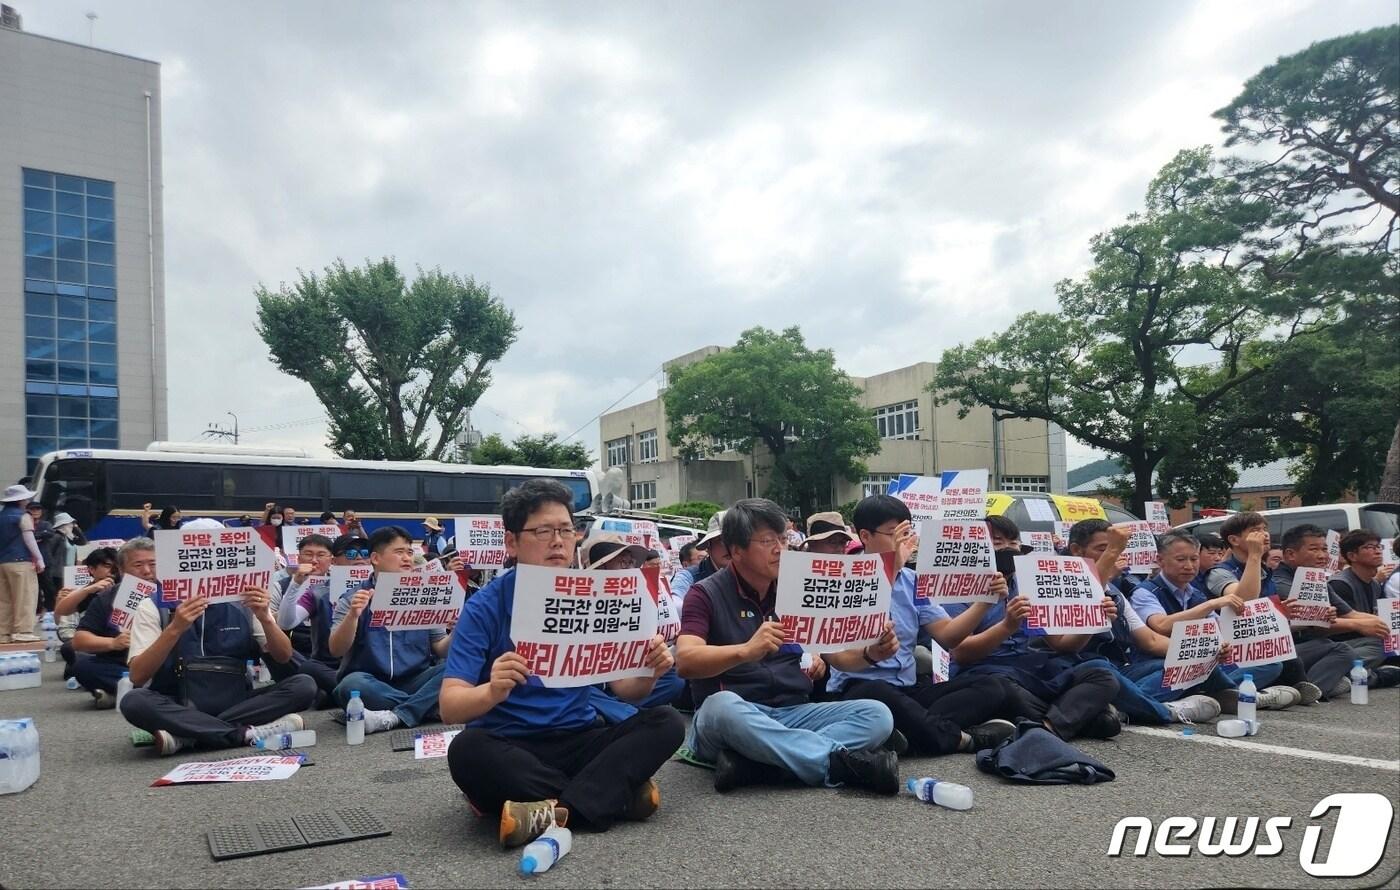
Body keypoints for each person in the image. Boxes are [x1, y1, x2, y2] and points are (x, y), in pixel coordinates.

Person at [442, 479, 683, 847]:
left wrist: (651, 670)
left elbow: (628, 692)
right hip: (512, 744)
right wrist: (492, 690)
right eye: (543, 531)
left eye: (566, 530)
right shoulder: (484, 607)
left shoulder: (595, 597)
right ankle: (610, 795)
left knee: (666, 722)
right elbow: (450, 706)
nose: (558, 541)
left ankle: (554, 811)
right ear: (511, 542)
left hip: (581, 739)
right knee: (466, 752)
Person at [676, 498, 899, 795]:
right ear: (736, 550)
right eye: (767, 541)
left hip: (792, 711)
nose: (779, 548)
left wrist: (872, 653)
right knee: (721, 706)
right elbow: (686, 659)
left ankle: (761, 765)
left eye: (782, 538)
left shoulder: (795, 587)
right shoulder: (704, 593)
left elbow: (839, 657)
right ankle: (839, 764)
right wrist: (746, 650)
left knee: (877, 714)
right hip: (734, 714)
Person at [824, 495, 1018, 755]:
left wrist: (985, 601)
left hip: (907, 686)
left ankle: (906, 732)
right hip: (860, 688)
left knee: (990, 686)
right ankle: (963, 739)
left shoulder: (913, 580)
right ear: (865, 536)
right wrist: (890, 569)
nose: (903, 541)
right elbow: (848, 642)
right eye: (894, 534)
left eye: (906, 533)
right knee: (879, 695)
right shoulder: (841, 577)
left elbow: (948, 637)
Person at [119, 530, 317, 756]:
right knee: (134, 701)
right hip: (178, 702)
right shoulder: (153, 605)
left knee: (304, 685)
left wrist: (265, 618)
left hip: (236, 702)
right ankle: (243, 734)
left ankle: (190, 735)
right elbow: (138, 676)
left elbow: (283, 656)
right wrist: (174, 629)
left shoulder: (244, 602)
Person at [945, 515, 1123, 741]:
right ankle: (1077, 718)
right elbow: (961, 653)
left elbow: (1062, 644)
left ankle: (1046, 727)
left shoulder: (1028, 581)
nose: (1008, 548)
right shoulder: (955, 587)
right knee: (1001, 691)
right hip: (986, 672)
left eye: (1013, 542)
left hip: (1031, 670)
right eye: (997, 542)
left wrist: (1092, 621)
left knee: (1102, 675)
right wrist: (1007, 626)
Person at [1065, 524, 1227, 724]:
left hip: (1122, 669)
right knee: (1102, 671)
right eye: (1103, 550)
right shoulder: (1059, 587)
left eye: (1193, 559)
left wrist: (1202, 650)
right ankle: (1165, 711)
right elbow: (1160, 626)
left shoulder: (1115, 594)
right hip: (1082, 670)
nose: (1114, 556)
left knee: (1190, 663)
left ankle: (1126, 707)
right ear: (1076, 550)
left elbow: (1150, 640)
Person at [329, 526, 452, 734]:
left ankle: (397, 715)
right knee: (351, 686)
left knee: (458, 666)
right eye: (399, 552)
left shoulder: (425, 597)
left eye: (410, 552)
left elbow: (441, 649)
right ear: (375, 558)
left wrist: (457, 630)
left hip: (416, 680)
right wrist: (353, 616)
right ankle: (427, 707)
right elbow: (336, 650)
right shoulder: (352, 598)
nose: (407, 558)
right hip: (371, 682)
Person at [1206, 512, 1321, 707]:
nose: (1264, 534)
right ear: (1234, 540)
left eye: (1264, 529)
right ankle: (1234, 693)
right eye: (1255, 531)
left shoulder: (1264, 571)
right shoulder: (1219, 572)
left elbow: (1262, 611)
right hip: (1230, 650)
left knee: (1311, 651)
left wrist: (1281, 612)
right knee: (1276, 664)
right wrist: (1255, 554)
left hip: (1258, 642)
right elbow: (1243, 601)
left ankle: (1289, 689)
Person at [1275, 525, 1400, 694]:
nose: (1322, 555)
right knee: (1344, 650)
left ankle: (1341, 678)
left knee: (1381, 642)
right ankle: (1317, 688)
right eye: (1314, 549)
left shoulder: (1317, 579)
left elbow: (1351, 614)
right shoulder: (1282, 582)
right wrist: (1355, 625)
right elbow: (1316, 623)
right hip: (1293, 652)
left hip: (1319, 645)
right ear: (1290, 554)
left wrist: (1389, 624)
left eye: (1324, 549)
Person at [581, 533, 687, 720]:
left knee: (673, 679)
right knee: (577, 692)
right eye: (623, 563)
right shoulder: (575, 605)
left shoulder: (633, 605)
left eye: (631, 563)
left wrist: (653, 666)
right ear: (600, 568)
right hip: (587, 690)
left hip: (621, 687)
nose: (630, 569)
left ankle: (616, 712)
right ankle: (618, 713)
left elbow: (622, 680)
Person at [69, 541, 144, 706]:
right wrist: (113, 643)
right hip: (123, 665)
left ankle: (122, 694)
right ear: (122, 570)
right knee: (83, 665)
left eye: (153, 564)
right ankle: (138, 692)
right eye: (138, 565)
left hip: (161, 662)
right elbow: (79, 639)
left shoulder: (173, 593)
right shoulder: (107, 597)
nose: (147, 571)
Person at [271, 533, 345, 699]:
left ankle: (331, 692)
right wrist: (296, 583)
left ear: (331, 560)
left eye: (321, 555)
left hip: (331, 654)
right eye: (308, 554)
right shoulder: (281, 586)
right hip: (295, 650)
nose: (314, 560)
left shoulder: (340, 585)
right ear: (298, 558)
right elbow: (280, 623)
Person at [55, 546, 119, 681]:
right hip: (98, 641)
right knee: (70, 649)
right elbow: (62, 612)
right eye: (107, 566)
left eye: (116, 566)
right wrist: (87, 591)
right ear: (91, 569)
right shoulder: (88, 591)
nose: (112, 570)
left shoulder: (126, 586)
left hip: (124, 640)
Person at [0, 484, 46, 643]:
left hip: (2, 563)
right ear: (20, 500)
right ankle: (22, 631)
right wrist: (39, 558)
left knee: (4, 600)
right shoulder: (23, 516)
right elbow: (29, 538)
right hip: (20, 562)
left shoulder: (1, 516)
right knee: (25, 597)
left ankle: (3, 633)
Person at [671, 512, 729, 599]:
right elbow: (676, 602)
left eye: (736, 541)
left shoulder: (749, 573)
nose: (729, 547)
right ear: (708, 547)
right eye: (721, 540)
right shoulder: (688, 576)